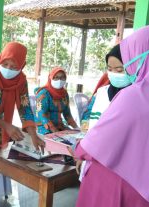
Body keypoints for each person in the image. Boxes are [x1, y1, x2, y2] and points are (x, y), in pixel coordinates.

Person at [73, 26, 149, 206]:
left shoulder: (134, 95)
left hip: (118, 183)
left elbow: (97, 142)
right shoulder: (105, 92)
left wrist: (78, 149)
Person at [0, 42, 45, 206]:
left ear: (22, 66)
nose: (9, 68)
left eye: (14, 66)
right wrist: (6, 125)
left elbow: (25, 107)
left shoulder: (21, 81)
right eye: (5, 63)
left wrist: (34, 135)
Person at [77, 44, 131, 180]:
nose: (113, 74)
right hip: (93, 158)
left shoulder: (135, 97)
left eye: (119, 70)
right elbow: (86, 120)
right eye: (109, 69)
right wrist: (82, 150)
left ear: (131, 68)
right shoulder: (102, 93)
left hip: (119, 167)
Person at [34, 67, 78, 135]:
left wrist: (76, 128)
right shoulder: (43, 94)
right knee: (58, 142)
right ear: (50, 78)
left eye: (62, 77)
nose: (59, 80)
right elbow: (42, 114)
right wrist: (55, 131)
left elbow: (67, 114)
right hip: (43, 126)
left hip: (59, 125)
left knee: (76, 137)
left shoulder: (64, 94)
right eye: (56, 77)